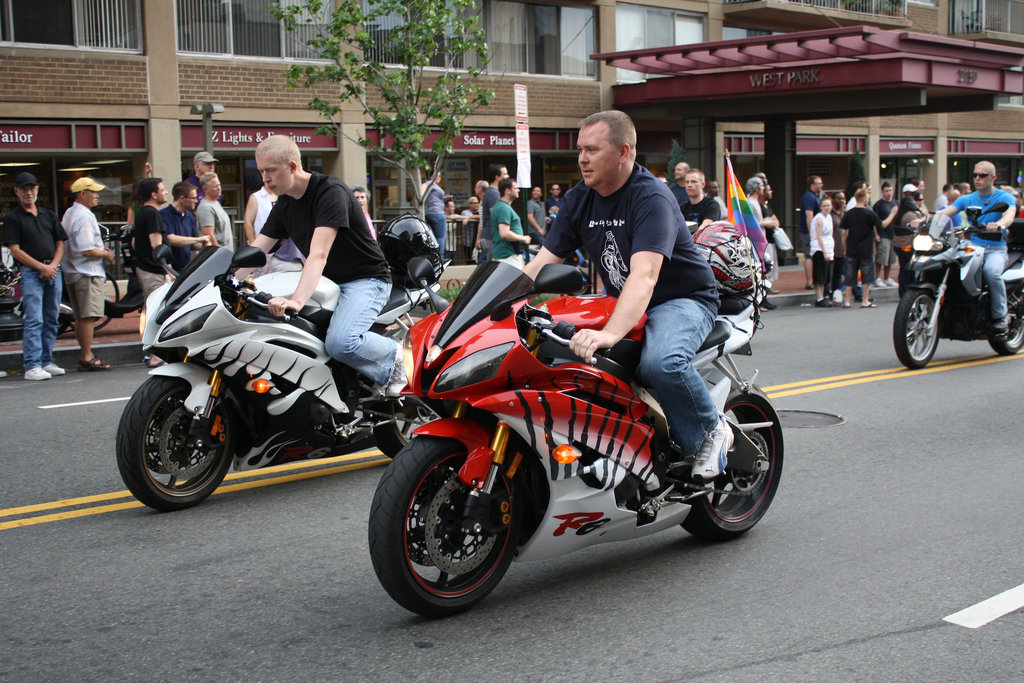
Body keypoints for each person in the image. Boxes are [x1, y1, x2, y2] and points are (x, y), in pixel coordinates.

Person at [522, 111, 727, 483]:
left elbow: (645, 276)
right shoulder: (579, 199)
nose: (582, 158)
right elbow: (540, 265)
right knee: (552, 348)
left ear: (623, 152)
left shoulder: (651, 198)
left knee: (660, 362)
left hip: (680, 299)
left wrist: (610, 333)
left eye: (592, 149)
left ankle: (711, 431)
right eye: (580, 149)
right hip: (622, 300)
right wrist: (486, 305)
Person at [245, 135, 404, 394]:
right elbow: (257, 250)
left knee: (341, 342)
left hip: (366, 280)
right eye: (261, 171)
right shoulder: (285, 203)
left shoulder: (330, 191)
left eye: (270, 170)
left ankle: (397, 357)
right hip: (329, 283)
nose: (264, 178)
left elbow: (319, 254)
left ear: (292, 166)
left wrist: (296, 300)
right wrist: (224, 279)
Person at [936, 160, 1016, 334]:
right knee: (948, 263)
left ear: (993, 177)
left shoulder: (1005, 197)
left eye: (983, 175)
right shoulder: (967, 199)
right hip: (972, 246)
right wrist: (924, 219)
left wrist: (999, 224)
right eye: (975, 175)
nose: (978, 179)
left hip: (995, 248)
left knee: (991, 272)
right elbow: (946, 212)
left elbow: (1009, 215)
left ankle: (1000, 316)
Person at [4, 172, 68, 380]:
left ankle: (46, 360)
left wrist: (53, 266)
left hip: (52, 270)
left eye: (32, 188)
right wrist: (43, 267)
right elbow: (15, 250)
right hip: (31, 272)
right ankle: (32, 364)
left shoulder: (48, 215)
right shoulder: (12, 218)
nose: (28, 193)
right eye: (24, 189)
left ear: (37, 190)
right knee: (34, 318)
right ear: (16, 192)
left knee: (51, 318)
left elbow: (60, 243)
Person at [62, 177, 116, 371]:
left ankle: (87, 354)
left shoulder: (70, 213)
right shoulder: (84, 216)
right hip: (87, 272)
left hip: (74, 272)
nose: (97, 195)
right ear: (82, 193)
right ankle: (86, 356)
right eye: (93, 192)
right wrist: (107, 254)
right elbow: (87, 249)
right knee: (88, 317)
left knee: (81, 316)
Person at [133, 177, 174, 366]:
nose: (165, 192)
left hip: (145, 268)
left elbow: (134, 243)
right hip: (153, 270)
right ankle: (155, 355)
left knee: (151, 309)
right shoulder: (152, 214)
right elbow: (157, 246)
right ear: (153, 194)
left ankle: (153, 353)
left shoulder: (142, 213)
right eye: (162, 189)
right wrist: (167, 269)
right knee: (157, 311)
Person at [244, 183, 304, 274]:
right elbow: (248, 223)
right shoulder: (256, 198)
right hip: (263, 250)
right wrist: (255, 249)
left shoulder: (284, 197)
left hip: (283, 253)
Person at [839, 187, 884, 309]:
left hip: (852, 249)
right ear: (864, 199)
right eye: (868, 198)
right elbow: (882, 224)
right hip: (866, 249)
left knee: (850, 275)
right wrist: (893, 214)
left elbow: (843, 233)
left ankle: (847, 301)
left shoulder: (849, 214)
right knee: (866, 275)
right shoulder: (869, 213)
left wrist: (845, 247)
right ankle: (865, 300)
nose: (868, 200)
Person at [160, 182, 209, 272]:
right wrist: (199, 239)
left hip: (185, 269)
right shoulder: (164, 215)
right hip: (169, 269)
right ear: (182, 198)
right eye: (193, 198)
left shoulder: (189, 216)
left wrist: (204, 245)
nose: (196, 201)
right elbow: (170, 239)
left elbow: (193, 244)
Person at [893, 187, 927, 297]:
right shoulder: (910, 214)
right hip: (906, 244)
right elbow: (915, 224)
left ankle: (904, 292)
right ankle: (906, 292)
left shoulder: (901, 213)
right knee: (908, 269)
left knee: (905, 268)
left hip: (899, 244)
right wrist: (925, 217)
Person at [490, 177, 530, 269]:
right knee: (515, 283)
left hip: (506, 255)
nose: (518, 190)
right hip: (508, 257)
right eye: (516, 188)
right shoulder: (504, 209)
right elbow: (504, 233)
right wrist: (523, 238)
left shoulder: (500, 206)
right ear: (507, 190)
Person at [477, 164, 508, 262]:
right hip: (491, 238)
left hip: (491, 237)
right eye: (505, 174)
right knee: (493, 270)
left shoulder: (494, 192)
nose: (508, 176)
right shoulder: (493, 193)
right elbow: (497, 215)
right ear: (497, 177)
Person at [871, 182, 900, 288]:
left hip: (893, 234)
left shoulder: (895, 203)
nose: (889, 193)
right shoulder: (878, 205)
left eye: (890, 190)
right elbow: (874, 221)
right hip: (883, 234)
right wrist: (876, 234)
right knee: (881, 258)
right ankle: (877, 278)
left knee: (890, 259)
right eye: (886, 191)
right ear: (882, 192)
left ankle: (887, 278)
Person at [196, 173, 233, 251]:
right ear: (205, 189)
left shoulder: (216, 203)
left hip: (227, 252)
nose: (219, 188)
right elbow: (208, 234)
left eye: (219, 185)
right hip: (218, 254)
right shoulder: (205, 208)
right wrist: (218, 253)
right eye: (215, 186)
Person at [809, 195, 835, 307]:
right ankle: (819, 297)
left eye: (828, 205)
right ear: (820, 207)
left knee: (825, 275)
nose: (826, 207)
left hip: (829, 249)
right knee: (819, 275)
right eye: (824, 205)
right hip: (819, 250)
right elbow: (819, 237)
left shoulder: (829, 217)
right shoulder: (819, 219)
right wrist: (824, 252)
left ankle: (823, 296)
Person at [799, 175, 823, 290]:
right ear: (812, 185)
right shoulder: (809, 197)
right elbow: (809, 216)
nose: (821, 185)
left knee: (812, 255)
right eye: (819, 183)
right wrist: (812, 232)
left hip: (811, 231)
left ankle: (812, 280)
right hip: (808, 232)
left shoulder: (814, 196)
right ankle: (809, 281)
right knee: (809, 255)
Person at [423, 172, 448, 257]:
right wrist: (420, 197)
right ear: (431, 177)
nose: (438, 177)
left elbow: (434, 199)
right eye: (436, 175)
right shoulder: (430, 183)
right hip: (438, 214)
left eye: (440, 175)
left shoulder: (435, 186)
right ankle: (440, 260)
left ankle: (434, 259)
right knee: (440, 239)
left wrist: (444, 198)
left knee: (432, 239)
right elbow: (423, 187)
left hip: (430, 213)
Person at [828, 191, 847, 302]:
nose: (841, 201)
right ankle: (829, 293)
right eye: (839, 198)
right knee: (831, 273)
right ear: (833, 200)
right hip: (832, 249)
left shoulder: (844, 214)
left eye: (843, 198)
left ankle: (837, 293)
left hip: (842, 249)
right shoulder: (830, 215)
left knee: (839, 274)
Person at [460, 196, 480, 263]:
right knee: (469, 260)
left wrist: (470, 217)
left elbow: (482, 216)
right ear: (470, 204)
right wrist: (470, 217)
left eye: (477, 203)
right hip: (468, 240)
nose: (476, 204)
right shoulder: (465, 212)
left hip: (478, 240)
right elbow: (466, 215)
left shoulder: (479, 211)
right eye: (474, 203)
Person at [525, 185, 546, 250]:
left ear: (541, 194)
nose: (535, 192)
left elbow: (540, 215)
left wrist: (546, 219)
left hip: (543, 230)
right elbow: (530, 217)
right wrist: (539, 229)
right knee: (545, 246)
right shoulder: (530, 203)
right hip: (535, 231)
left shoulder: (542, 204)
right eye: (534, 191)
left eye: (538, 191)